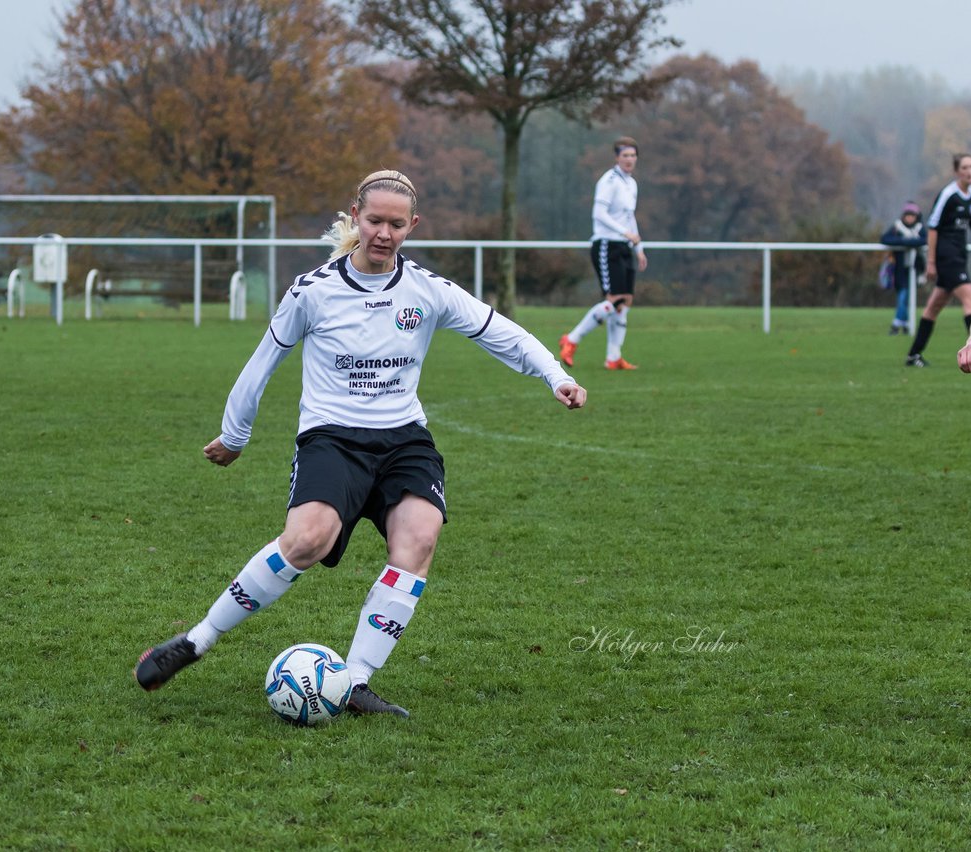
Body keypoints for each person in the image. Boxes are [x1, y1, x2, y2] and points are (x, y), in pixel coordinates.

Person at [133, 169, 587, 717]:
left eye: (397, 224)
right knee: (307, 540)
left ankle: (354, 682)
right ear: (357, 216)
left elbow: (502, 332)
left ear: (412, 226)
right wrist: (235, 434)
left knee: (420, 538)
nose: (384, 233)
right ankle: (195, 641)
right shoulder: (314, 290)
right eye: (375, 220)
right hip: (333, 437)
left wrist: (554, 375)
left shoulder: (427, 290)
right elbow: (263, 362)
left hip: (403, 441)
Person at [558, 136, 647, 371]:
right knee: (613, 299)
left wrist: (638, 248)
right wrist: (626, 233)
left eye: (633, 155)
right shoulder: (609, 181)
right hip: (607, 244)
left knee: (625, 302)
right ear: (617, 157)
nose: (630, 159)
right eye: (625, 155)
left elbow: (629, 217)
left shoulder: (631, 184)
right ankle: (571, 339)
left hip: (624, 246)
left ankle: (613, 357)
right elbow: (599, 214)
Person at [906, 154, 971, 366]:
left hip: (959, 254)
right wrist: (931, 261)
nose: (969, 171)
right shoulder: (948, 194)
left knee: (934, 306)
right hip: (946, 255)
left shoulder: (970, 194)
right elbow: (932, 228)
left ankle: (913, 355)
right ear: (956, 171)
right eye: (965, 167)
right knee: (970, 299)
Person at [880, 202, 926, 335]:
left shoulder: (920, 228)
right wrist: (907, 242)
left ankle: (899, 324)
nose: (910, 218)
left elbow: (924, 240)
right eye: (908, 215)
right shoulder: (897, 227)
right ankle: (902, 324)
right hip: (899, 269)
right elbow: (885, 239)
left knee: (906, 297)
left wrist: (906, 242)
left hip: (914, 269)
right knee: (903, 296)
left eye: (912, 216)